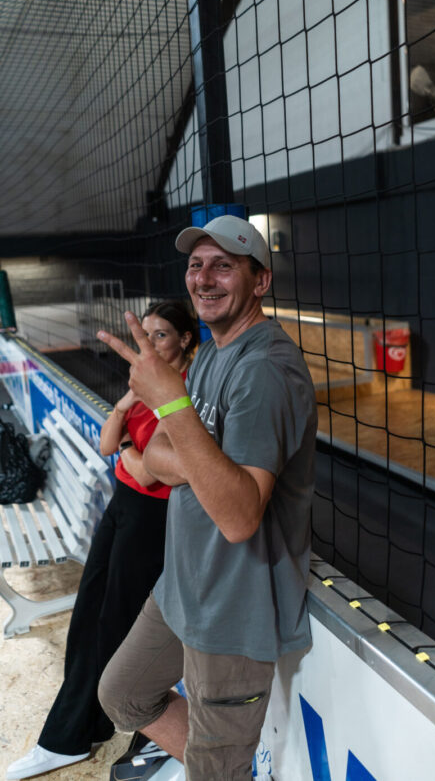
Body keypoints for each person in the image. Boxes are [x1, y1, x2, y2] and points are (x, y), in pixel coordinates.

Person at [96, 215, 318, 781]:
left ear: (260, 281)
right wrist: (202, 461)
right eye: (196, 265)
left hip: (233, 606)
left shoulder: (265, 370)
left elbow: (238, 516)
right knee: (123, 694)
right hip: (183, 584)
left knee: (215, 769)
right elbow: (156, 458)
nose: (204, 278)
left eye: (224, 265)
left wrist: (172, 405)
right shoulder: (216, 352)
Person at [6, 301, 198, 781]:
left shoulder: (182, 392)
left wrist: (130, 439)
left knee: (113, 630)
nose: (148, 344)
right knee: (86, 619)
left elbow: (144, 470)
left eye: (160, 335)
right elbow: (107, 443)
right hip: (121, 509)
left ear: (185, 340)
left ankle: (71, 738)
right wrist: (126, 405)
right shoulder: (145, 384)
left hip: (151, 522)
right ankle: (80, 730)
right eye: (144, 334)